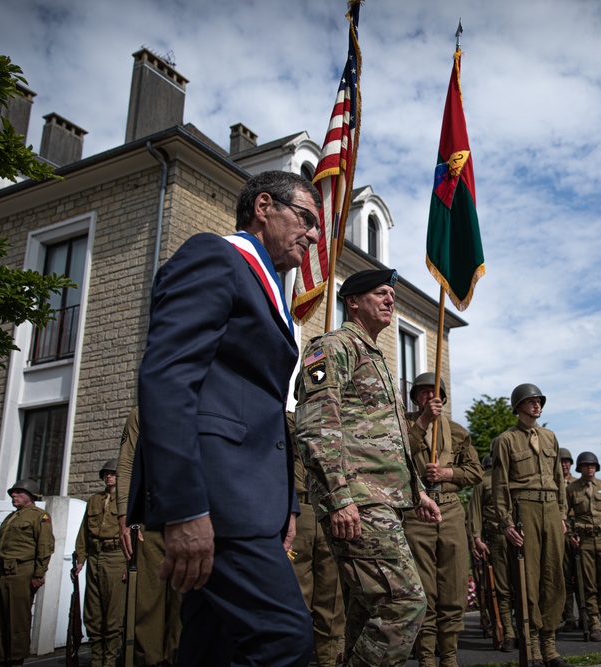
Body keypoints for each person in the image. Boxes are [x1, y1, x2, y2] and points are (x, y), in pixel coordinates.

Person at [128, 170, 321, 666]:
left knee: (211, 647)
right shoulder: (215, 256)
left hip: (250, 501)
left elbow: (264, 411)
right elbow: (168, 380)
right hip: (218, 502)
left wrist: (287, 506)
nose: (314, 235)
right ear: (263, 207)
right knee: (285, 640)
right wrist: (186, 509)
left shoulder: (267, 283)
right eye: (305, 219)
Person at [294, 268, 443, 667]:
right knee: (405, 604)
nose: (390, 300)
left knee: (364, 613)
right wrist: (339, 497)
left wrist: (418, 492)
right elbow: (315, 426)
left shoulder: (375, 358)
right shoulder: (331, 348)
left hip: (381, 501)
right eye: (380, 293)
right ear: (352, 301)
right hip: (357, 502)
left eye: (391, 295)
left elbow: (385, 440)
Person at [403, 372, 483, 667]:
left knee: (453, 587)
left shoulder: (458, 432)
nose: (428, 397)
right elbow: (396, 458)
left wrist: (448, 474)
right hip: (415, 513)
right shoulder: (402, 426)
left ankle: (448, 657)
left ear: (443, 397)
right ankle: (425, 657)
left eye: (433, 392)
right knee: (423, 589)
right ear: (415, 398)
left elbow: (475, 473)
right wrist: (422, 422)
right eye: (422, 393)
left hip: (450, 511)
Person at [492, 383, 571, 667]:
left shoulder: (550, 437)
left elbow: (559, 479)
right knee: (529, 579)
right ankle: (533, 645)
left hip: (550, 508)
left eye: (539, 401)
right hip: (523, 507)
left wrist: (562, 514)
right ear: (518, 406)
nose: (536, 404)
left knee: (554, 576)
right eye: (530, 401)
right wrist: (506, 522)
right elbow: (499, 484)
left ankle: (550, 645)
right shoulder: (506, 440)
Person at [115, 407, 181, 667]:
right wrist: (124, 515)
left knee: (185, 614)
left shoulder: (208, 400)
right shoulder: (143, 412)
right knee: (146, 612)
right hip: (150, 522)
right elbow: (127, 460)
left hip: (193, 519)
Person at [288, 413, 345, 667]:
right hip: (297, 513)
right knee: (294, 599)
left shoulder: (340, 422)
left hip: (331, 511)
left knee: (331, 602)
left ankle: (328, 662)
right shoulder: (289, 421)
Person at [0, 478, 54, 666]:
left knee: (17, 621)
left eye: (18, 492)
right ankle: (1, 659)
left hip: (21, 573)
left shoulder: (39, 516)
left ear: (31, 496)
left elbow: (45, 546)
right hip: (1, 574)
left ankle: (16, 660)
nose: (14, 495)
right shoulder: (12, 517)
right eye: (12, 493)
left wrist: (38, 574)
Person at [565, 451, 601, 641]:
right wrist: (570, 535)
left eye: (592, 465)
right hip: (585, 540)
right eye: (586, 465)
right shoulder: (572, 489)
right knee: (588, 583)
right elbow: (564, 515)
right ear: (579, 467)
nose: (590, 467)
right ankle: (594, 623)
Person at [74, 460, 124, 667]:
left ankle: (110, 660)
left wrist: (130, 566)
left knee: (113, 612)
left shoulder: (126, 501)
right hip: (95, 556)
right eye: (106, 474)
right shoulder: (94, 500)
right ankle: (96, 659)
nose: (109, 477)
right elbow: (83, 532)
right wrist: (80, 559)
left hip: (116, 557)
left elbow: (135, 534)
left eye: (112, 473)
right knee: (93, 611)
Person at [468, 451, 516, 652]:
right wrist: (476, 538)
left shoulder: (514, 477)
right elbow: (475, 511)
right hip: (496, 538)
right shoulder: (483, 482)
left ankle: (525, 630)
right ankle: (509, 633)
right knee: (502, 589)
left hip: (519, 537)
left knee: (523, 586)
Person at [558, 448, 579, 633]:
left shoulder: (578, 484)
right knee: (565, 577)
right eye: (561, 461)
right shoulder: (555, 483)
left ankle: (587, 617)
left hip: (578, 532)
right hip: (561, 533)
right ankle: (569, 616)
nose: (564, 464)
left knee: (582, 576)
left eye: (567, 461)